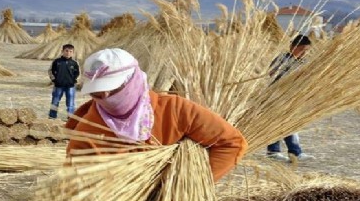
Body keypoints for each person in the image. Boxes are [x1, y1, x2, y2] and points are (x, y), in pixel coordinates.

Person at [65, 48, 247, 182]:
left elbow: (230, 143)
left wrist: (190, 187)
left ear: (133, 82)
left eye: (113, 89)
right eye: (97, 93)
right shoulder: (88, 127)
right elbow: (76, 179)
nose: (104, 96)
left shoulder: (175, 110)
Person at [266, 34, 315, 162]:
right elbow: (271, 73)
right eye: (302, 50)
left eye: (306, 50)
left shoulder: (304, 62)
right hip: (276, 95)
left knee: (291, 124)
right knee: (274, 123)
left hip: (292, 96)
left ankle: (295, 152)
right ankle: (273, 151)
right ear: (293, 47)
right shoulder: (283, 58)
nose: (304, 53)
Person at [48, 44, 80, 119]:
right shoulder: (56, 61)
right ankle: (52, 117)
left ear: (73, 52)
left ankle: (70, 118)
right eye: (66, 51)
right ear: (62, 51)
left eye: (70, 51)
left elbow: (78, 73)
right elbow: (50, 71)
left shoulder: (74, 63)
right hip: (58, 85)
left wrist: (74, 81)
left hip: (70, 86)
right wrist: (54, 80)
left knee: (70, 103)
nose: (68, 53)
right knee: (55, 101)